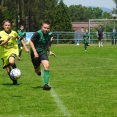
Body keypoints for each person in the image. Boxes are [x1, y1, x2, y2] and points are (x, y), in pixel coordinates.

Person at [0, 20, 29, 85]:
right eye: (6, 25)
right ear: (3, 26)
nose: (7, 26)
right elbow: (1, 44)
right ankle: (14, 80)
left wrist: (25, 47)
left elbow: (20, 38)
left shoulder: (14, 32)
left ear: (11, 26)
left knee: (11, 62)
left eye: (9, 25)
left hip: (13, 50)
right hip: (4, 53)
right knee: (8, 71)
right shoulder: (1, 33)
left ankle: (16, 70)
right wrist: (7, 39)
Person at [29, 21, 56, 90]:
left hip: (43, 52)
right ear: (41, 27)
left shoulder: (49, 34)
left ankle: (45, 85)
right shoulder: (37, 33)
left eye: (48, 28)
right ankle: (38, 71)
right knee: (37, 70)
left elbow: (46, 43)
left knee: (46, 66)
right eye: (44, 27)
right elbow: (30, 41)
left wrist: (49, 51)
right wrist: (35, 52)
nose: (46, 29)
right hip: (34, 54)